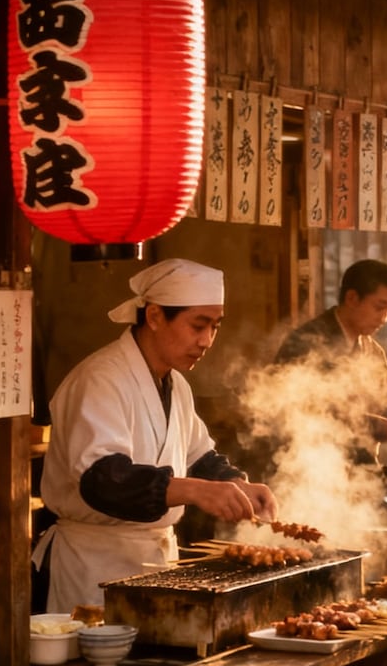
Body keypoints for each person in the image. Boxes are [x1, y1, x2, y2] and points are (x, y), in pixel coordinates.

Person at [35, 259, 278, 613]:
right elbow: (103, 480)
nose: (207, 341)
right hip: (94, 566)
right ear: (153, 316)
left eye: (215, 327)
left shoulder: (176, 384)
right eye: (198, 325)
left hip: (157, 565)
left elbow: (198, 457)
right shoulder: (100, 379)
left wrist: (237, 484)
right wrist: (196, 491)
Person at [274, 258, 387, 461]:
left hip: (360, 467)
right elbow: (309, 411)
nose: (384, 318)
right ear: (352, 298)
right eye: (379, 307)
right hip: (308, 463)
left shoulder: (372, 350)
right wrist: (383, 428)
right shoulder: (307, 342)